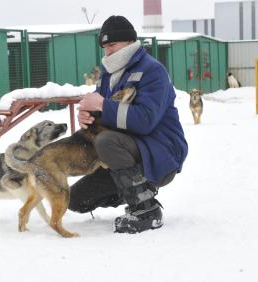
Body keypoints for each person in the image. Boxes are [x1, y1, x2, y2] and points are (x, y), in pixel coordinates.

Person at [68, 15, 188, 234]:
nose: (108, 51)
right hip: (127, 152)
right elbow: (106, 113)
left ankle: (146, 209)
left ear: (129, 42)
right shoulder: (109, 74)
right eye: (104, 46)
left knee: (106, 140)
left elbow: (145, 121)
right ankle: (133, 186)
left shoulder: (153, 71)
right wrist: (88, 117)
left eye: (112, 44)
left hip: (160, 152)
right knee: (75, 200)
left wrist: (103, 104)